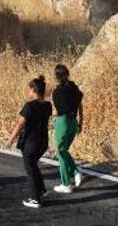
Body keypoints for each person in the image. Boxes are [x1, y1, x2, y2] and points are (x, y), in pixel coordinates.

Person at [7, 75, 52, 208]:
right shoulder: (48, 105)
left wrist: (10, 139)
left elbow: (20, 124)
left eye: (29, 89)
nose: (28, 92)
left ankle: (35, 199)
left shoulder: (29, 106)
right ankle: (42, 190)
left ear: (33, 89)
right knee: (33, 165)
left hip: (31, 143)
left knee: (30, 169)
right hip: (43, 142)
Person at [51, 64, 84, 194]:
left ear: (56, 77)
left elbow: (56, 112)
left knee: (61, 152)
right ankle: (74, 174)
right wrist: (80, 123)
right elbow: (80, 106)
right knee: (64, 151)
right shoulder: (75, 88)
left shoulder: (57, 91)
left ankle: (67, 182)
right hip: (73, 123)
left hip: (62, 122)